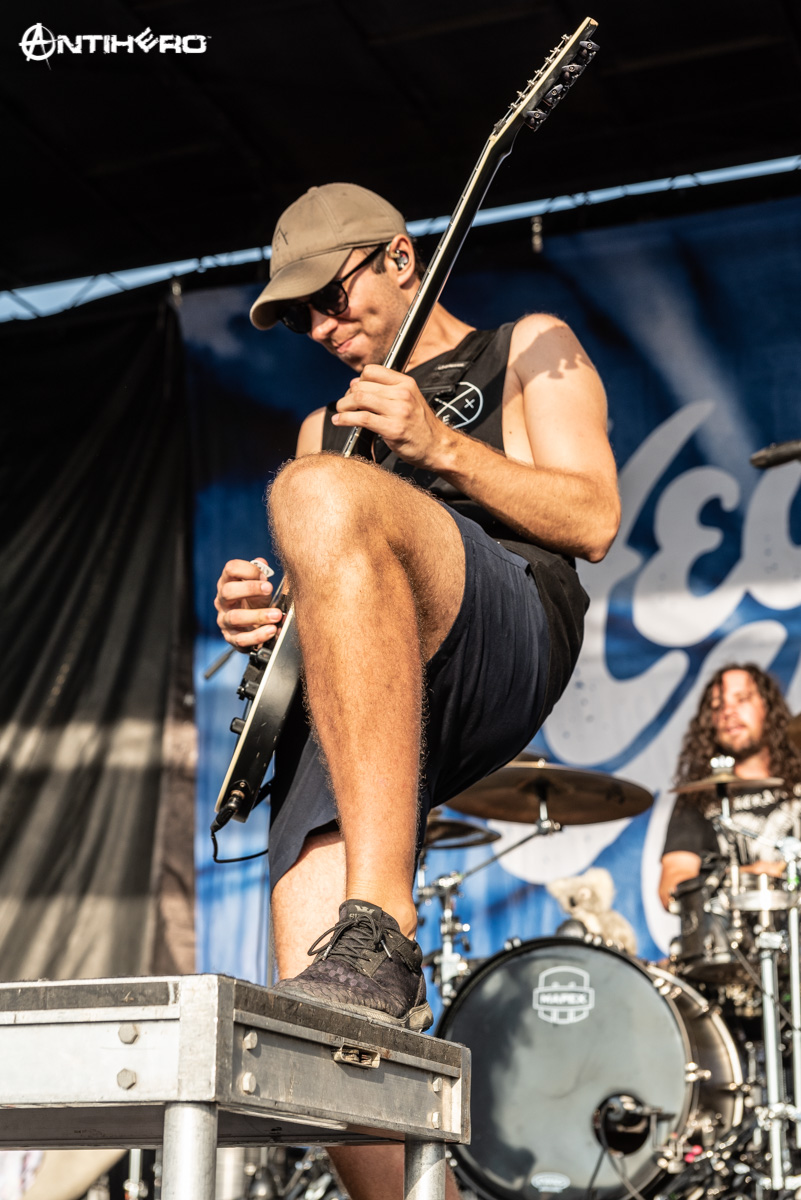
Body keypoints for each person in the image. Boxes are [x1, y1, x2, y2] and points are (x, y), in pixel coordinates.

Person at [214, 183, 619, 1198]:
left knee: (316, 489)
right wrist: (265, 615)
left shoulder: (525, 344)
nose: (323, 328)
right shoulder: (325, 426)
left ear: (400, 258)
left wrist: (439, 446)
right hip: (377, 674)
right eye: (300, 318)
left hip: (506, 617)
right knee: (315, 1010)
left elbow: (593, 518)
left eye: (332, 297)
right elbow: (331, 599)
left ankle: (384, 917)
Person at [659, 664, 801, 911]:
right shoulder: (698, 798)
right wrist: (745, 877)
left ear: (767, 707)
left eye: (742, 699)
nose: (728, 712)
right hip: (732, 929)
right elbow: (671, 885)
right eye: (717, 706)